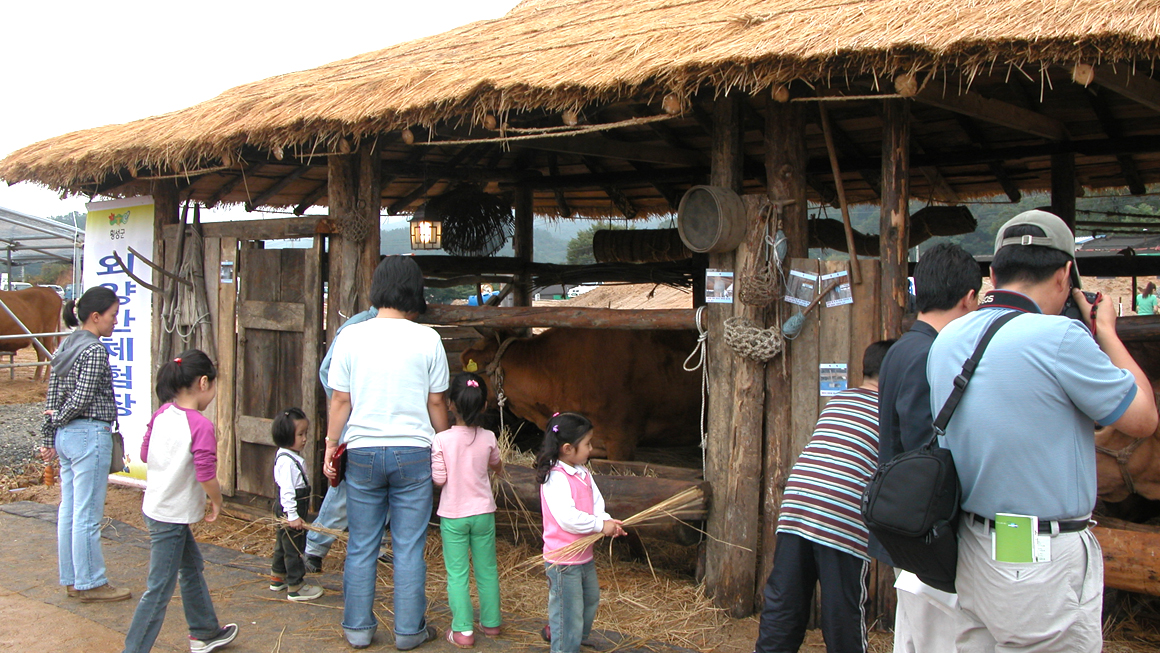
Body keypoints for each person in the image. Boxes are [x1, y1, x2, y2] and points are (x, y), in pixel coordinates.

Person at [928, 210, 1157, 652]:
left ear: (993, 273)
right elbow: (1143, 419)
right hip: (1036, 558)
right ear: (1065, 274)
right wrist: (1106, 331)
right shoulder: (1061, 338)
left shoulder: (949, 339)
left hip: (970, 547)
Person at [323, 256, 450, 650]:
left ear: (378, 288)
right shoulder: (428, 338)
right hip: (413, 452)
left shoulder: (352, 336)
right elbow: (437, 403)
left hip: (362, 451)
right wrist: (445, 445)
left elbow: (341, 400)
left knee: (362, 543)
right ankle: (409, 631)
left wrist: (330, 445)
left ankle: (358, 629)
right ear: (415, 291)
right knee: (409, 545)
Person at [872, 242, 981, 653]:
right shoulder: (930, 353)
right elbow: (926, 452)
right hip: (925, 527)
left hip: (909, 523)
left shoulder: (902, 348)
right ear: (969, 298)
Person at [754, 341, 894, 653]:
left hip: (797, 505)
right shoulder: (890, 411)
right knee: (842, 610)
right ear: (896, 373)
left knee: (784, 601)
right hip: (842, 515)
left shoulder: (839, 401)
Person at [122, 350, 238, 653]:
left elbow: (146, 454)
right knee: (159, 590)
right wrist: (216, 500)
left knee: (191, 567)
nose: (213, 392)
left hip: (158, 508)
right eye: (213, 386)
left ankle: (205, 631)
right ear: (203, 383)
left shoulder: (162, 414)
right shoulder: (200, 425)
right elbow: (206, 473)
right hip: (170, 516)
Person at [39, 286, 131, 602]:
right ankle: (91, 581)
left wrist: (49, 433)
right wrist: (63, 418)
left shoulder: (65, 347)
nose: (115, 321)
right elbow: (81, 398)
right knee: (87, 514)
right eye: (112, 315)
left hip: (67, 439)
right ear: (95, 316)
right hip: (88, 434)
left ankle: (72, 578)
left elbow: (53, 398)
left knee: (70, 509)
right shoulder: (93, 350)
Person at [303, 306, 389, 574]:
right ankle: (314, 548)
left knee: (384, 486)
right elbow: (328, 371)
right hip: (360, 419)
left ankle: (378, 546)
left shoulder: (397, 327)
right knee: (344, 486)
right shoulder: (357, 326)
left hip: (385, 419)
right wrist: (351, 405)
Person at [536, 412, 626, 653]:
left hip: (584, 556)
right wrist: (599, 526)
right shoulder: (555, 478)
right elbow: (568, 519)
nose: (591, 448)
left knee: (590, 601)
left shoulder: (583, 472)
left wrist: (607, 522)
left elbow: (597, 503)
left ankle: (567, 634)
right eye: (587, 444)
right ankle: (564, 644)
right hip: (563, 561)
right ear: (567, 448)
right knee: (569, 611)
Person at [432, 372, 505, 648]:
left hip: (453, 515)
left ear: (450, 404)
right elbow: (496, 464)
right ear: (484, 406)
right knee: (487, 569)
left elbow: (439, 479)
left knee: (458, 573)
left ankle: (463, 630)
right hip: (483, 512)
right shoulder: (488, 437)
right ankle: (491, 622)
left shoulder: (441, 441)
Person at [269, 407, 324, 602]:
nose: (304, 438)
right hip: (290, 509)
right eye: (300, 434)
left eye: (305, 433)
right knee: (293, 547)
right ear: (285, 435)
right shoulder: (286, 462)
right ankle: (296, 585)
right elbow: (287, 492)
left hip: (292, 508)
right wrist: (292, 515)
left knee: (283, 543)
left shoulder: (290, 456)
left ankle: (278, 576)